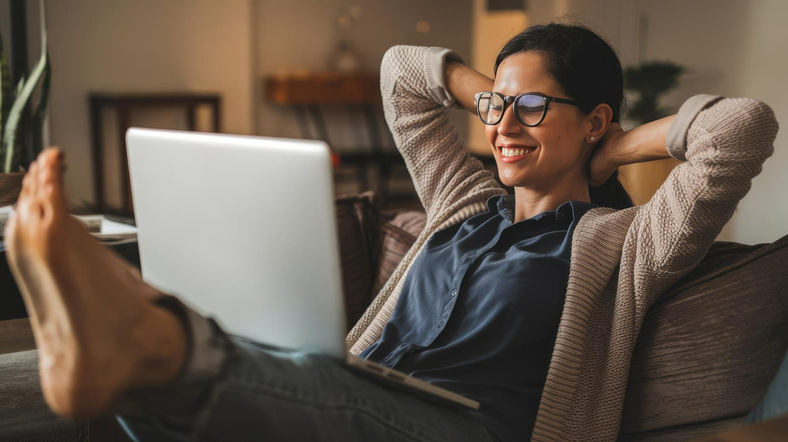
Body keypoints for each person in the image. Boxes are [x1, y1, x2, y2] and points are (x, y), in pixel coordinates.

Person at [4, 23, 778, 441]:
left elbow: (742, 129)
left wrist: (616, 145)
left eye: (533, 108)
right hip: (359, 394)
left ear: (597, 120)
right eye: (494, 109)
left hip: (462, 428)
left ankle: (142, 333)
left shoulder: (623, 243)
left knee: (236, 379)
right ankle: (131, 346)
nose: (505, 126)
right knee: (243, 385)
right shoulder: (461, 202)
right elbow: (400, 73)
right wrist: (499, 97)